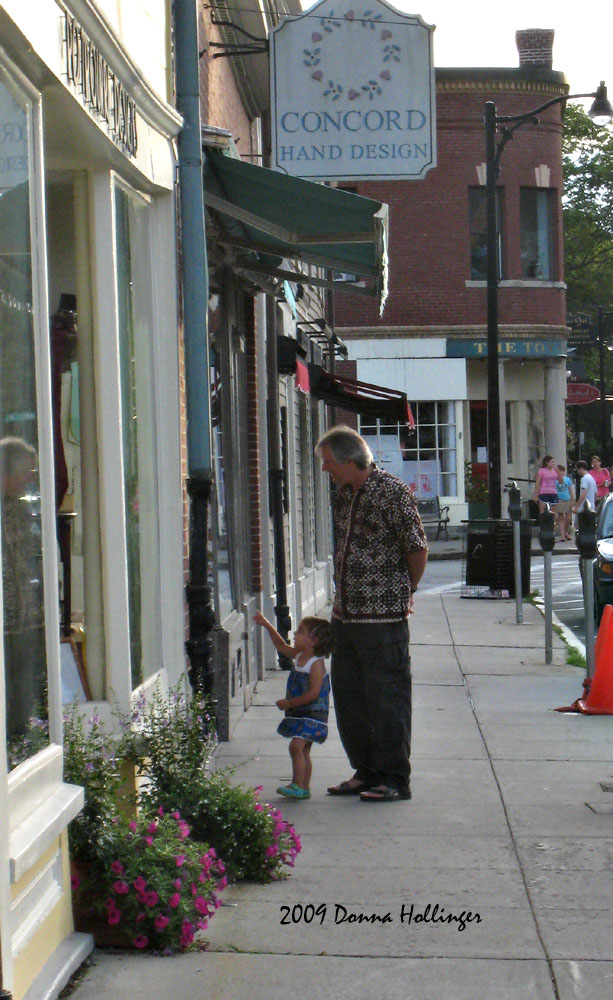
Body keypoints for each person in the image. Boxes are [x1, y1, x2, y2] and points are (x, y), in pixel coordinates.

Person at [315, 425, 428, 803]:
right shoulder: (344, 494)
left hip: (383, 620)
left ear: (350, 460)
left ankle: (395, 778)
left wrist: (404, 590)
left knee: (386, 698)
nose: (326, 469)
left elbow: (416, 548)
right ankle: (365, 771)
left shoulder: (392, 492)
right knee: (351, 699)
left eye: (329, 462)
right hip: (346, 617)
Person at [253, 611, 335, 799]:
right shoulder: (298, 655)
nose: (295, 635)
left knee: (296, 747)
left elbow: (314, 693)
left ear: (313, 641)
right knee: (303, 749)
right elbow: (281, 646)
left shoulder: (316, 664)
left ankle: (297, 784)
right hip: (300, 712)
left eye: (300, 632)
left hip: (312, 714)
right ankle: (304, 787)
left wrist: (290, 702)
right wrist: (267, 625)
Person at [1, 437, 46, 740]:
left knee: (24, 692)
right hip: (6, 623)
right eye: (27, 472)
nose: (31, 479)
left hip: (26, 621)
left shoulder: (20, 509)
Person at [555, 464, 575, 542]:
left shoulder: (567, 479)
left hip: (567, 499)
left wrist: (573, 500)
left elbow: (570, 490)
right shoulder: (555, 480)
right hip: (559, 499)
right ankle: (562, 535)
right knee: (560, 517)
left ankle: (565, 531)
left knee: (568, 517)